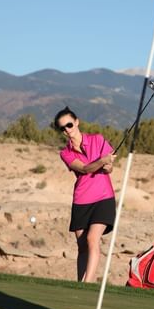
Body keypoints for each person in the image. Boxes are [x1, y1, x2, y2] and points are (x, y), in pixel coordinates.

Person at [54, 106, 116, 283]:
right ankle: (81, 283)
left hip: (104, 198)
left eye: (69, 124)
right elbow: (84, 169)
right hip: (82, 200)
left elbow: (109, 168)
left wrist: (107, 165)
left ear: (77, 122)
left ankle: (87, 283)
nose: (67, 129)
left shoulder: (98, 139)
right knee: (82, 247)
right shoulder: (65, 153)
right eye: (62, 128)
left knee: (92, 239)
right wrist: (101, 161)